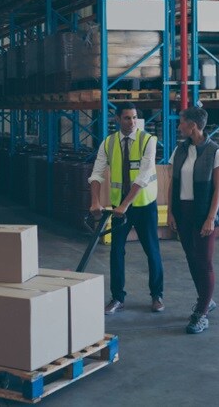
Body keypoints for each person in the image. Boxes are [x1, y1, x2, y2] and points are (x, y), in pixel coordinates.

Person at [88, 102, 164, 315]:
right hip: (119, 207)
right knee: (116, 251)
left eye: (134, 118)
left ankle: (157, 295)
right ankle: (117, 298)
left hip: (144, 205)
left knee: (152, 250)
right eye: (127, 118)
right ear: (117, 119)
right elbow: (97, 173)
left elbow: (144, 175)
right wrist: (95, 200)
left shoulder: (148, 140)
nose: (132, 122)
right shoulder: (108, 143)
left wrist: (125, 205)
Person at [168, 106, 219, 334]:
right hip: (183, 211)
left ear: (192, 126)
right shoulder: (180, 150)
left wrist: (211, 218)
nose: (179, 126)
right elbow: (173, 183)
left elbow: (218, 189)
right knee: (191, 257)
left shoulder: (214, 151)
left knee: (204, 261)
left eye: (181, 122)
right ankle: (206, 298)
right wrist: (170, 211)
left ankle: (201, 313)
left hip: (203, 213)